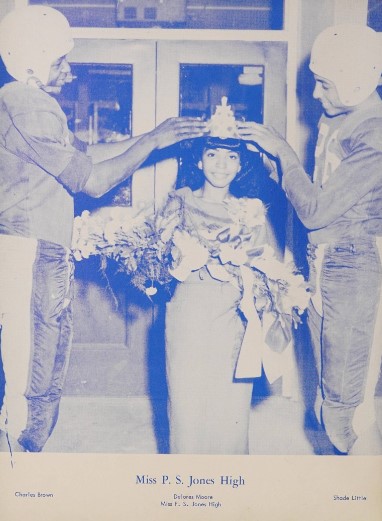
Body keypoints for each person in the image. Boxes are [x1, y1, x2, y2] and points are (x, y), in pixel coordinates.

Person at [0, 5, 206, 453]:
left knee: (39, 357)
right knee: (32, 369)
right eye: (60, 61)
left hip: (37, 247)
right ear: (32, 63)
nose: (69, 70)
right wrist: (151, 143)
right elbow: (92, 181)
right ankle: (21, 473)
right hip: (30, 248)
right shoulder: (26, 105)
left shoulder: (32, 104)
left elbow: (89, 153)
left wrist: (156, 134)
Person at [237, 24, 382, 454]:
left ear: (354, 81)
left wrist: (284, 154)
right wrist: (279, 171)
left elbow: (317, 212)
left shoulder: (373, 131)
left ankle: (363, 496)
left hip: (352, 262)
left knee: (345, 410)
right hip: (324, 259)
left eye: (323, 84)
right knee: (324, 404)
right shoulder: (338, 117)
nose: (315, 95)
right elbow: (316, 195)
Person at [156, 133, 299, 454]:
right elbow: (155, 268)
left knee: (230, 405)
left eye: (231, 157)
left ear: (239, 166)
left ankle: (230, 483)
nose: (221, 165)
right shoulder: (179, 203)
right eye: (212, 155)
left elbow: (271, 271)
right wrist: (180, 262)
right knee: (186, 402)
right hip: (188, 314)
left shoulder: (249, 211)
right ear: (198, 160)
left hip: (235, 317)